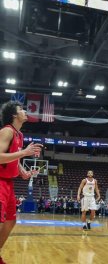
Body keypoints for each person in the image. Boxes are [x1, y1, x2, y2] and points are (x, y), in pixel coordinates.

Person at [0, 101, 43, 264]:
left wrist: (24, 173)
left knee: (11, 221)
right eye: (21, 109)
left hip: (8, 183)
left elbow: (14, 158)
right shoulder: (7, 131)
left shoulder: (19, 135)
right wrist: (25, 152)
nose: (25, 111)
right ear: (14, 115)